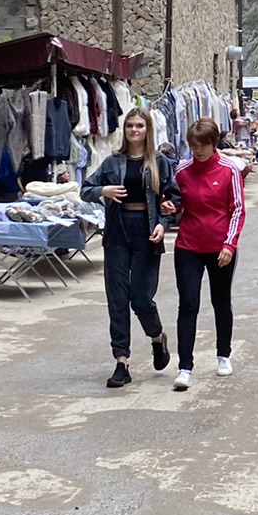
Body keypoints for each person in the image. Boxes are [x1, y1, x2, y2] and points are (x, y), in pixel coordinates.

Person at [83, 107, 175, 389]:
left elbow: (172, 198)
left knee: (141, 298)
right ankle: (121, 361)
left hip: (147, 234)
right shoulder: (113, 162)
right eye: (130, 126)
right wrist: (103, 191)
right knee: (118, 299)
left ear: (148, 130)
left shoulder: (159, 162)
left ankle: (157, 337)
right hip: (117, 233)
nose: (134, 131)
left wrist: (164, 222)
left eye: (139, 126)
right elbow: (85, 188)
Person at [170, 117, 245, 390]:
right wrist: (171, 209)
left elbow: (237, 209)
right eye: (193, 146)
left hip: (220, 246)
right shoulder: (182, 170)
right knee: (188, 303)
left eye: (202, 145)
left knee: (220, 301)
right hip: (188, 245)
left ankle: (223, 354)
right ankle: (184, 366)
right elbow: (179, 203)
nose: (197, 151)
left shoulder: (229, 169)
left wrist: (229, 244)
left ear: (214, 144)